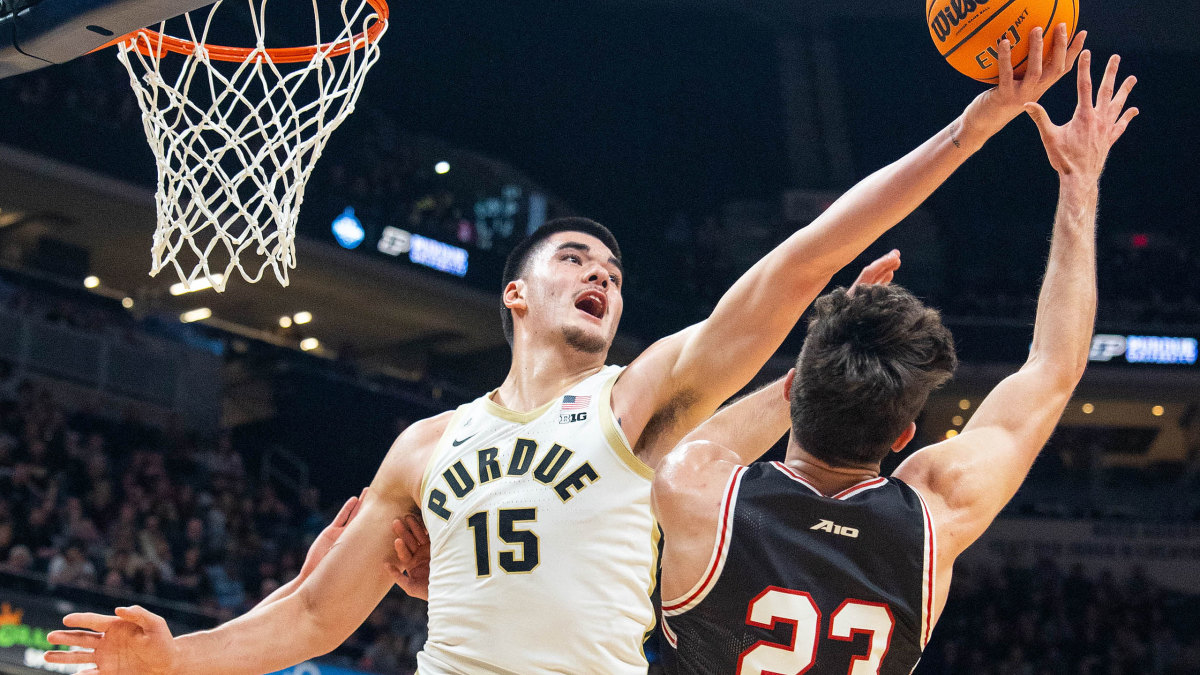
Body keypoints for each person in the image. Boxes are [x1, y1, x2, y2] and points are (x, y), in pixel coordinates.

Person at [47, 24, 1086, 675]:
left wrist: (969, 130)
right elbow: (315, 615)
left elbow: (789, 271)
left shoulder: (638, 409)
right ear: (516, 295)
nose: (603, 274)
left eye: (616, 273)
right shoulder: (423, 445)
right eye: (577, 259)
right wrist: (178, 661)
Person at [650, 46, 1137, 674]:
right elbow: (1053, 369)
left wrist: (819, 353)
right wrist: (1079, 183)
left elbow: (697, 434)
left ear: (798, 395)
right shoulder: (936, 514)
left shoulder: (698, 487)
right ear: (906, 435)